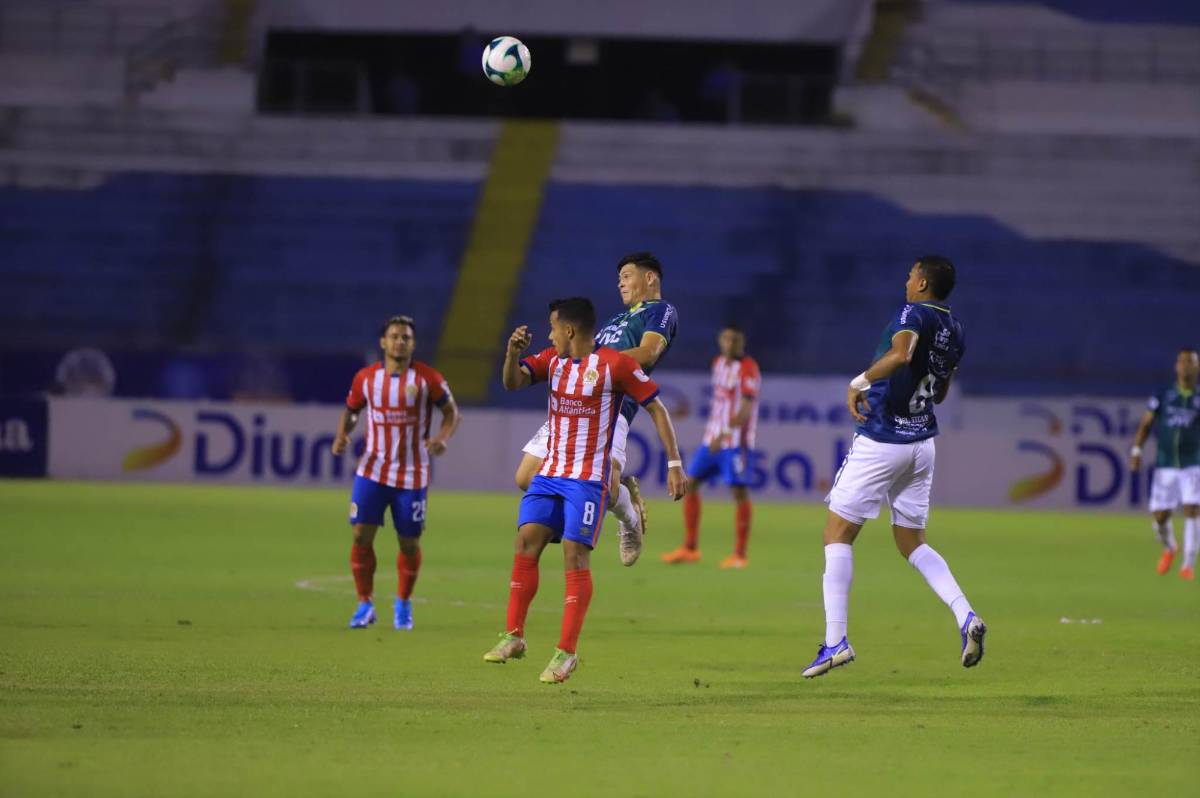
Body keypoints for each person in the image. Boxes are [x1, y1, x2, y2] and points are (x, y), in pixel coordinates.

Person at [485, 298, 687, 683]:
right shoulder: (552, 360)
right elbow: (513, 382)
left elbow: (657, 408)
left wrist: (674, 463)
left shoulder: (615, 365)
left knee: (574, 556)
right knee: (525, 542)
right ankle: (513, 636)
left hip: (587, 479)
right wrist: (511, 355)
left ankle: (566, 653)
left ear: (570, 330)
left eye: (553, 328)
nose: (549, 336)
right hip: (550, 474)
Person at [803, 256, 986, 679]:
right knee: (911, 542)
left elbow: (901, 354)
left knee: (837, 533)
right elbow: (940, 392)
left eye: (910, 275)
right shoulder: (955, 328)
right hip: (922, 443)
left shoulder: (912, 313)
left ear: (922, 283)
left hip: (883, 439)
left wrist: (859, 382)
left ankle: (835, 641)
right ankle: (965, 615)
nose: (906, 280)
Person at [515, 253, 679, 567]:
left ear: (649, 278)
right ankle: (600, 503)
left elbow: (648, 353)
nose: (620, 283)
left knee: (604, 486)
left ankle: (629, 516)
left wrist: (596, 365)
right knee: (526, 477)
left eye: (627, 276)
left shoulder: (661, 310)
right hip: (573, 404)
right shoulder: (615, 320)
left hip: (611, 406)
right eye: (619, 279)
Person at [332, 315, 460, 630]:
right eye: (394, 336)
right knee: (361, 535)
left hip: (412, 474)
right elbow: (352, 411)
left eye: (406, 338)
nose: (400, 342)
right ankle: (364, 604)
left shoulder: (428, 378)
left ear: (413, 344)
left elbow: (451, 412)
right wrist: (343, 434)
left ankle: (403, 603)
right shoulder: (366, 378)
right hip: (372, 469)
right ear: (383, 342)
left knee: (409, 543)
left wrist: (442, 438)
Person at [662, 324, 760, 568]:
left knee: (739, 492)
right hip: (712, 439)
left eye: (734, 340)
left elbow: (745, 409)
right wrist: (715, 433)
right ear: (720, 340)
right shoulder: (717, 363)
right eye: (726, 339)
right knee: (691, 484)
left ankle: (740, 555)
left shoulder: (747, 368)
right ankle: (690, 548)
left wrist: (725, 432)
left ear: (742, 342)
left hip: (734, 443)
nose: (729, 344)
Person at [1129, 347, 1200, 580]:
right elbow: (1146, 424)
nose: (1186, 366)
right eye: (1182, 362)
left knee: (1192, 509)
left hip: (1193, 464)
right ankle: (1170, 547)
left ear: (1197, 367)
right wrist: (1136, 450)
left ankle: (1188, 564)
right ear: (1176, 366)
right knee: (1160, 516)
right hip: (1166, 464)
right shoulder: (1163, 395)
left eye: (1190, 362)